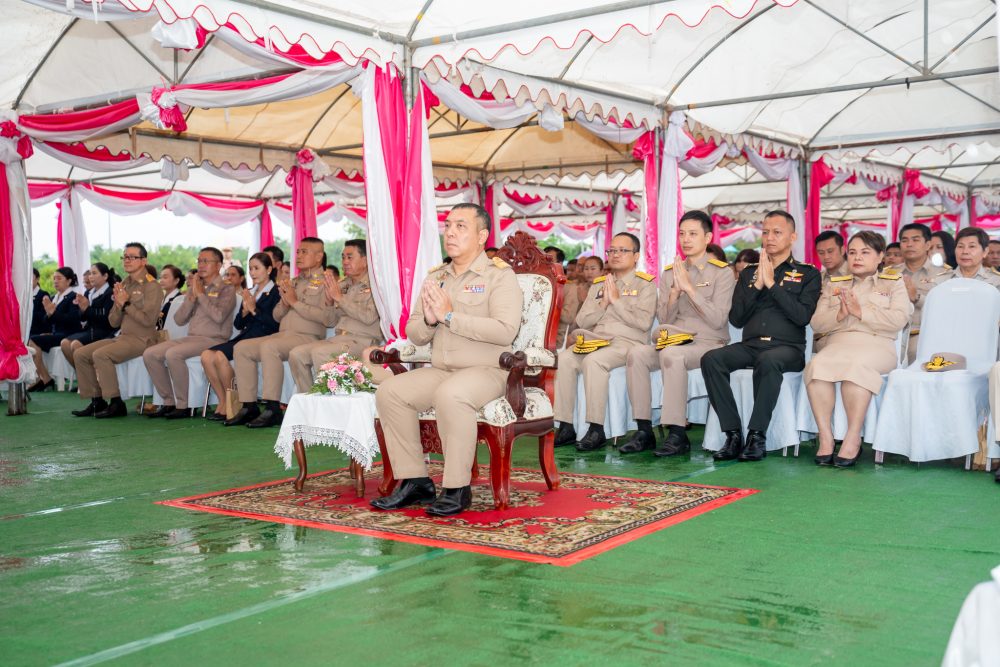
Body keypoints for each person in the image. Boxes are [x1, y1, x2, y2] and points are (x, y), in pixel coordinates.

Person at [372, 203, 522, 517]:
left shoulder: (498, 276)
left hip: (487, 370)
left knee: (451, 395)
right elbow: (414, 333)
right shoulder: (436, 277)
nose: (450, 232)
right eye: (448, 225)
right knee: (390, 392)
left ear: (481, 236)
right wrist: (430, 320)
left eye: (460, 226)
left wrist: (450, 317)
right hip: (442, 369)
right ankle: (414, 481)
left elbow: (505, 330)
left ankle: (456, 488)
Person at [701, 210, 821, 461]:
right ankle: (733, 434)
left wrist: (772, 285)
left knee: (769, 360)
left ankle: (757, 436)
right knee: (711, 359)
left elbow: (802, 316)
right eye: (765, 232)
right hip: (751, 346)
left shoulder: (808, 273)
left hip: (787, 349)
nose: (769, 238)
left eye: (777, 232)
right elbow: (736, 319)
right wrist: (757, 286)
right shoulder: (748, 274)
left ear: (793, 237)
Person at [621, 211, 737, 455]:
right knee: (637, 354)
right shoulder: (669, 272)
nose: (686, 239)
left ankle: (677, 433)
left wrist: (690, 290)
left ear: (708, 237)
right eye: (682, 234)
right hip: (673, 341)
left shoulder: (722, 272)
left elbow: (718, 319)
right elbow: (664, 320)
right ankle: (644, 430)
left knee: (672, 355)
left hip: (708, 343)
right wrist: (674, 294)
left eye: (693, 234)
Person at [805, 231, 912, 468]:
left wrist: (860, 312)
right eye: (852, 252)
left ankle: (852, 438)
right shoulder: (834, 284)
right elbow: (816, 323)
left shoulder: (893, 283)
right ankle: (826, 436)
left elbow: (899, 319)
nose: (857, 257)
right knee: (817, 366)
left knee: (855, 369)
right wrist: (840, 315)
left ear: (880, 256)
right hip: (838, 344)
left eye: (865, 252)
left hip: (877, 346)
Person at [553, 232, 657, 451]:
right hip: (596, 341)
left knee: (594, 361)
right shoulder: (599, 284)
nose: (616, 255)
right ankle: (566, 425)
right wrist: (603, 305)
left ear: (636, 256)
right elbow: (582, 320)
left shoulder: (645, 284)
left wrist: (616, 302)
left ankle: (596, 428)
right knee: (564, 359)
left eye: (623, 250)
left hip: (627, 342)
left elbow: (643, 323)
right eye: (612, 250)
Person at [227, 237, 329, 428]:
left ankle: (273, 408)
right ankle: (249, 405)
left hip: (307, 336)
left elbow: (326, 318)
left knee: (269, 346)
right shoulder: (293, 282)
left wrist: (295, 302)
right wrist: (285, 302)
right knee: (241, 348)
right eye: (298, 252)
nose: (299, 256)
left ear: (318, 257)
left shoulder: (326, 282)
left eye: (304, 252)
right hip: (283, 335)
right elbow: (276, 316)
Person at [143, 247, 237, 419]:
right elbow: (179, 319)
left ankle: (183, 405)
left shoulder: (226, 289)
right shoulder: (196, 287)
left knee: (173, 354)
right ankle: (168, 401)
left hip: (214, 339)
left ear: (218, 265)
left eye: (205, 261)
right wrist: (191, 298)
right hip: (191, 338)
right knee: (150, 354)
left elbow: (219, 316)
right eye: (199, 261)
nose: (201, 265)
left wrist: (201, 295)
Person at [73, 243, 164, 418]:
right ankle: (97, 401)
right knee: (80, 354)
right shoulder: (124, 284)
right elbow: (113, 322)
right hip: (123, 337)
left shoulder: (152, 286)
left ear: (143, 261)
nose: (127, 260)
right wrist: (119, 304)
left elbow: (148, 321)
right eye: (125, 257)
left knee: (101, 355)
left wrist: (126, 304)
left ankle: (116, 403)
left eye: (132, 257)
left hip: (143, 339)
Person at [288, 239, 383, 393]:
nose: (345, 261)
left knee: (320, 353)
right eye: (343, 257)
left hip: (363, 341)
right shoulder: (342, 285)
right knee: (296, 354)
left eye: (350, 257)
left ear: (365, 260)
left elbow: (369, 317)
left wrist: (339, 298)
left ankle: (327, 401)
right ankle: (309, 399)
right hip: (338, 339)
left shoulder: (376, 285)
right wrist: (329, 302)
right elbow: (330, 321)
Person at [201, 252, 280, 421]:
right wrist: (244, 311)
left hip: (264, 337)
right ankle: (224, 401)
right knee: (207, 355)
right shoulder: (250, 292)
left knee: (220, 356)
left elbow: (274, 324)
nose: (252, 273)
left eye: (257, 268)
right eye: (250, 268)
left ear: (269, 269)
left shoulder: (276, 292)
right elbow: (238, 324)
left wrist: (254, 310)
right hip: (245, 336)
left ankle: (236, 403)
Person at [896, 223, 950, 363]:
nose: (909, 244)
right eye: (904, 240)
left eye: (915, 240)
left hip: (927, 335)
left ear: (927, 245)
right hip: (894, 334)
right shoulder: (890, 273)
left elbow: (947, 308)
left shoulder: (944, 274)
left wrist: (917, 297)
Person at [27, 267, 82, 392]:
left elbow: (72, 319)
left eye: (59, 278)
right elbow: (46, 320)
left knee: (33, 340)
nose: (55, 281)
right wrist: (49, 314)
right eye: (54, 279)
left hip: (69, 333)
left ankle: (44, 378)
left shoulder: (73, 297)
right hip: (56, 333)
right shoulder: (54, 297)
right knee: (34, 339)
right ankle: (43, 377)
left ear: (69, 281)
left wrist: (53, 313)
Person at [60, 263, 119, 370]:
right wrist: (82, 309)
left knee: (75, 344)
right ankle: (82, 374)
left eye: (94, 273)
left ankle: (89, 375)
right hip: (90, 330)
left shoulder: (110, 293)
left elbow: (106, 319)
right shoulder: (88, 293)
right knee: (64, 343)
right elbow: (82, 317)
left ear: (105, 276)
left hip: (105, 331)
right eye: (90, 273)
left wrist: (87, 309)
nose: (90, 276)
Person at [813, 231, 850, 352]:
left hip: (842, 340)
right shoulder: (816, 278)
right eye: (821, 252)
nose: (826, 257)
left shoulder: (855, 275)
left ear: (842, 250)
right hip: (815, 338)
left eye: (830, 251)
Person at [157, 265, 186, 334]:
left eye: (165, 277)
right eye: (160, 277)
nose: (161, 280)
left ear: (176, 280)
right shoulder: (162, 298)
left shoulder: (179, 300)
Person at [29, 268, 50, 337]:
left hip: (38, 331)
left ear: (37, 279)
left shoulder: (43, 294)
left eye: (31, 277)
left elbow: (43, 316)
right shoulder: (24, 295)